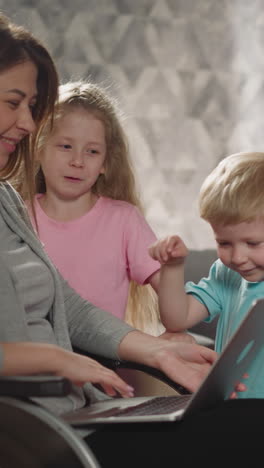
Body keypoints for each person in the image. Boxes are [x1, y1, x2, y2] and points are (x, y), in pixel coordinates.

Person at [0, 13, 261, 468]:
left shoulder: (6, 202)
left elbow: (70, 305)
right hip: (32, 426)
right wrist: (57, 359)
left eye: (32, 105)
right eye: (13, 102)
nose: (27, 122)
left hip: (79, 408)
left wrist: (157, 350)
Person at [23, 79, 174, 336]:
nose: (78, 161)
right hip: (34, 361)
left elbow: (175, 309)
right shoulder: (18, 217)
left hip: (103, 363)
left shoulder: (124, 220)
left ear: (105, 162)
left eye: (92, 151)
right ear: (39, 148)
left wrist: (175, 267)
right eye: (66, 146)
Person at [149, 151, 264, 399]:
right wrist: (172, 268)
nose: (237, 257)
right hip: (230, 410)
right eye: (224, 243)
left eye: (253, 243)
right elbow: (177, 320)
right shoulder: (226, 274)